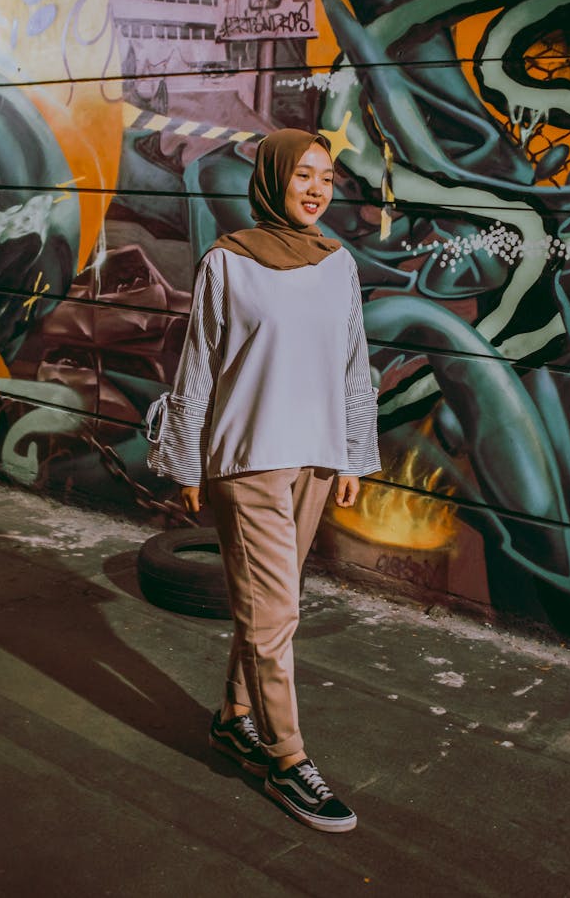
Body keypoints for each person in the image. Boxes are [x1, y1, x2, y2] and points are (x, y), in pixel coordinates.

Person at [148, 127, 380, 833]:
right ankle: (287, 757)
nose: (316, 188)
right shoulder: (228, 262)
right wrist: (187, 462)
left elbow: (352, 361)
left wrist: (351, 454)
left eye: (327, 176)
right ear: (272, 178)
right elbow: (198, 367)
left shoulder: (337, 262)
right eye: (302, 174)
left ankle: (234, 719)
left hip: (313, 456)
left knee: (264, 608)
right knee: (277, 614)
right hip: (247, 458)